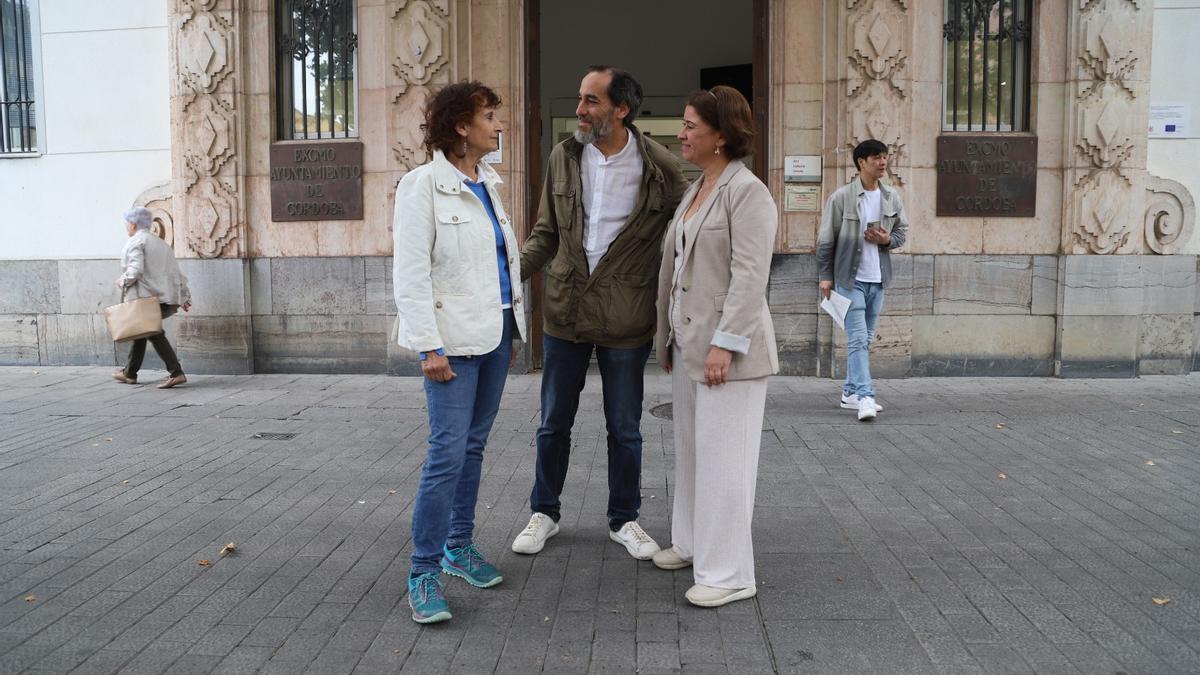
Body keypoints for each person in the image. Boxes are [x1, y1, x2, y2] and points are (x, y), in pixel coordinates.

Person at [512, 66, 687, 560]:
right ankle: (544, 511)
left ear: (621, 109)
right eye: (580, 98)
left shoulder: (662, 167)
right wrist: (504, 280)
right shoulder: (564, 157)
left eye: (591, 100)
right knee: (552, 423)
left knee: (625, 428)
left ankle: (624, 519)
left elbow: (680, 242)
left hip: (626, 316)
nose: (581, 110)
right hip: (566, 311)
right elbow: (545, 232)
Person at [392, 81, 527, 624]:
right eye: (490, 116)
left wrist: (512, 330)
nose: (499, 125)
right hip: (449, 345)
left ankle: (458, 547)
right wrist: (429, 345)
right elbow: (411, 272)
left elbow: (501, 264)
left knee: (472, 448)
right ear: (461, 127)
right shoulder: (421, 186)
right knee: (446, 455)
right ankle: (422, 572)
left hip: (493, 335)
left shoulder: (488, 184)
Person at [650, 86, 779, 608]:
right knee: (692, 451)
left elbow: (751, 277)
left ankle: (729, 574)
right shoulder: (699, 186)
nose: (681, 134)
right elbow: (680, 268)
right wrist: (668, 337)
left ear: (721, 135)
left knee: (726, 460)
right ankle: (691, 541)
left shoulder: (747, 192)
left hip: (730, 354)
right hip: (689, 345)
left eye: (689, 126)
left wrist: (725, 345)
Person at [815, 139, 908, 421]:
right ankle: (866, 397)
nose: (883, 162)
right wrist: (825, 276)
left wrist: (886, 239)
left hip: (878, 280)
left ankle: (849, 392)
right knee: (857, 340)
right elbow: (825, 241)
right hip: (848, 279)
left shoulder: (891, 197)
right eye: (876, 158)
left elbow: (902, 234)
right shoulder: (841, 198)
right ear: (861, 163)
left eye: (885, 157)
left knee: (864, 340)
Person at [111, 207, 191, 389]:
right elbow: (175, 272)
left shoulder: (136, 242)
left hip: (144, 297)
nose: (126, 226)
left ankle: (176, 372)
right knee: (144, 330)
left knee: (153, 332)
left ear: (133, 224)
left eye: (127, 223)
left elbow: (136, 270)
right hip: (161, 296)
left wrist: (123, 281)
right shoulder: (160, 243)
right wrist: (185, 295)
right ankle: (130, 373)